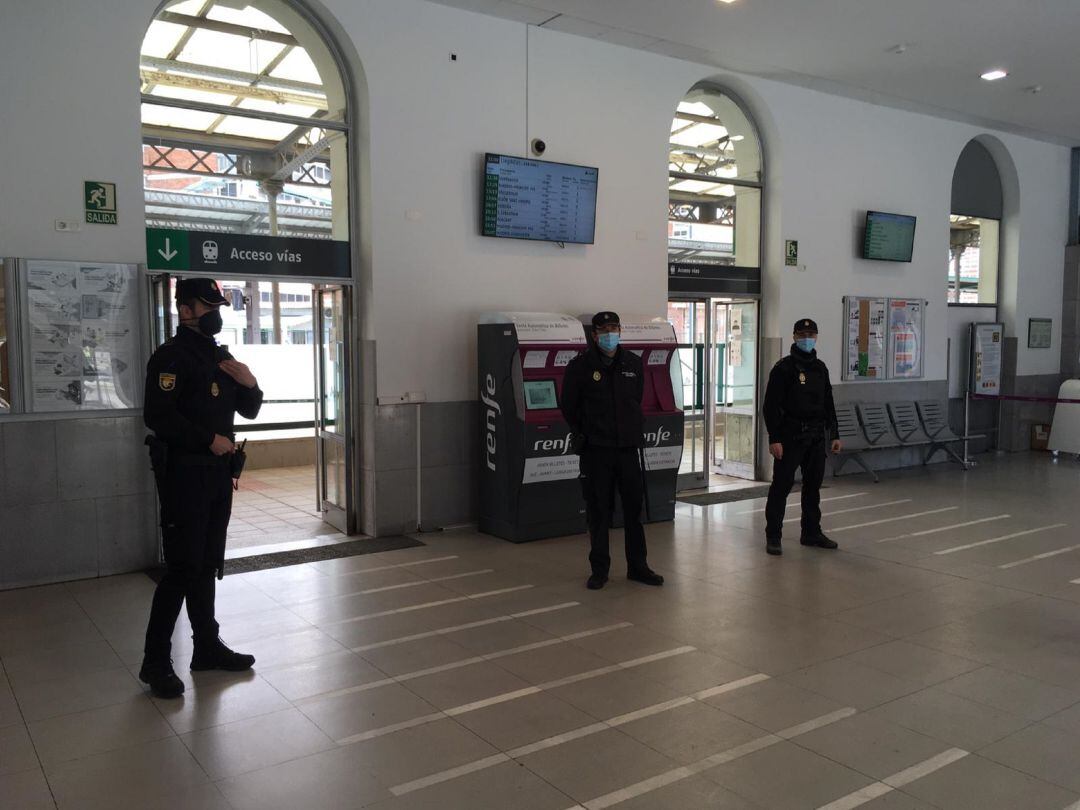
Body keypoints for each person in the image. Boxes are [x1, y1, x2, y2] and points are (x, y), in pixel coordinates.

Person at [138, 278, 264, 698]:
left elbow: (248, 410)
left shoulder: (219, 357)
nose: (216, 312)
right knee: (181, 568)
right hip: (183, 477)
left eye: (218, 305)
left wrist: (249, 382)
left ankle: (206, 647)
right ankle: (155, 662)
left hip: (216, 477)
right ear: (185, 309)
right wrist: (207, 440)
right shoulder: (170, 358)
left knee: (207, 563)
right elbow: (157, 415)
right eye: (207, 305)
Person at [561, 311, 664, 590]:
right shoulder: (580, 366)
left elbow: (636, 399)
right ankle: (600, 569)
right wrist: (587, 432)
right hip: (597, 451)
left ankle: (638, 566)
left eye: (614, 327)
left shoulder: (632, 363)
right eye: (604, 329)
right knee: (599, 512)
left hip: (628, 449)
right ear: (594, 334)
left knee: (633, 510)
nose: (610, 333)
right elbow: (568, 406)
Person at [762, 318, 842, 556]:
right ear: (794, 336)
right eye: (803, 333)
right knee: (781, 487)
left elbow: (829, 403)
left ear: (816, 336)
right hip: (790, 437)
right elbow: (770, 406)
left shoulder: (820, 368)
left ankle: (811, 533)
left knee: (813, 487)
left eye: (811, 333)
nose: (807, 338)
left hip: (816, 437)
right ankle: (773, 536)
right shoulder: (783, 369)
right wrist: (774, 438)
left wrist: (834, 434)